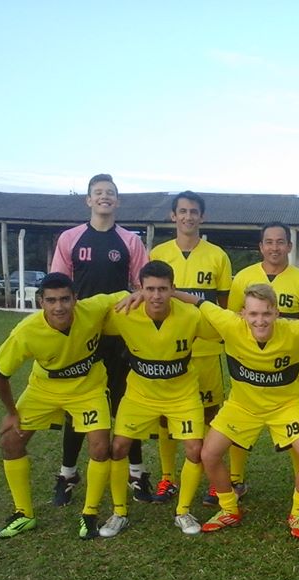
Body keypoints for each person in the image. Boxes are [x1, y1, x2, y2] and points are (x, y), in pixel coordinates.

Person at [193, 283, 299, 538]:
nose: (260, 321)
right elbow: (198, 303)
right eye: (253, 314)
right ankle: (229, 509)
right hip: (242, 406)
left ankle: (298, 512)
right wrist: (165, 293)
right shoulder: (229, 324)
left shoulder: (296, 331)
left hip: (286, 406)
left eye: (266, 314)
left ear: (277, 313)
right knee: (209, 453)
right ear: (242, 314)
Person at [0, 273, 123, 539]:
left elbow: (122, 296)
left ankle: (89, 514)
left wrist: (140, 295)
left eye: (64, 299)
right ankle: (24, 514)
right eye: (51, 300)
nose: (58, 306)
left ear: (76, 299)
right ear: (41, 302)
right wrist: (11, 413)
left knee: (99, 446)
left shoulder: (92, 308)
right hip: (44, 389)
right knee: (10, 442)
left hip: (88, 388)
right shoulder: (26, 331)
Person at [94, 260, 218, 537]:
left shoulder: (190, 315)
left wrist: (195, 300)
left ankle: (183, 511)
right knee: (119, 447)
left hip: (182, 393)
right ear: (139, 288)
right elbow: (89, 314)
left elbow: (224, 324)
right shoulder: (124, 313)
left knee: (194, 450)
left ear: (173, 288)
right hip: (140, 394)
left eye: (163, 289)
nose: (156, 296)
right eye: (150, 289)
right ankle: (119, 513)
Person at [50, 173, 150, 507]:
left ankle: (137, 473)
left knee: (125, 401)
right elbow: (59, 288)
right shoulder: (71, 238)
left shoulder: (130, 241)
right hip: (82, 335)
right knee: (77, 403)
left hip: (121, 335)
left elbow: (143, 286)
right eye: (98, 192)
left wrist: (132, 301)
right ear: (88, 200)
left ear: (117, 201)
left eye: (110, 193)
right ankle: (67, 474)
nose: (104, 197)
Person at [148, 191, 231, 504]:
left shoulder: (217, 255)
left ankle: (213, 478)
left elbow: (222, 306)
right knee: (166, 417)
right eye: (182, 211)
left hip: (206, 349)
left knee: (212, 414)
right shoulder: (158, 253)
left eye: (193, 211)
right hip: (168, 350)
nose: (188, 216)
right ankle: (167, 478)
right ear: (173, 216)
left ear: (202, 217)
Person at [221, 222, 299, 501]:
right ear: (261, 246)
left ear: (289, 246)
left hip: (285, 370)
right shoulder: (244, 278)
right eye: (269, 242)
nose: (275, 247)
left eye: (280, 242)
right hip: (249, 364)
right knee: (239, 421)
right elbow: (234, 319)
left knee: (296, 431)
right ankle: (236, 480)